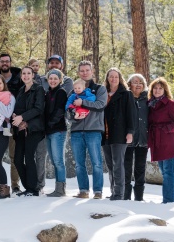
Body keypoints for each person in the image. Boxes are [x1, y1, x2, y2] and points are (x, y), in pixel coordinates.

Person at [68, 60, 107, 199]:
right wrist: (73, 115)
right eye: (82, 71)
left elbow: (101, 105)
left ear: (92, 71)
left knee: (96, 162)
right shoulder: (74, 90)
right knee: (79, 164)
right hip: (77, 131)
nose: (84, 73)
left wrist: (83, 102)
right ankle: (83, 190)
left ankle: (98, 191)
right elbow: (68, 110)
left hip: (93, 130)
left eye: (87, 70)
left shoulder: (100, 89)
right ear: (79, 73)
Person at [147, 77, 174, 204]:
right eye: (155, 88)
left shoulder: (170, 104)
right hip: (157, 142)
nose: (157, 90)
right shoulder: (150, 104)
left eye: (160, 88)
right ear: (152, 90)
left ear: (164, 90)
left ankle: (168, 201)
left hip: (168, 141)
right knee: (165, 172)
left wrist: (165, 128)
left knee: (168, 172)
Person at [11, 67, 45, 197]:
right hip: (20, 129)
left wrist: (23, 118)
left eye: (28, 73)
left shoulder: (38, 89)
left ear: (33, 75)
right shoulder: (20, 90)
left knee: (29, 157)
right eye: (23, 74)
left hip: (33, 129)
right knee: (18, 159)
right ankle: (28, 187)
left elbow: (38, 108)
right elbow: (18, 108)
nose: (26, 76)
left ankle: (33, 189)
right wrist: (15, 116)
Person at [102, 68, 134, 201]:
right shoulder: (103, 94)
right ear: (107, 78)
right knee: (110, 165)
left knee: (118, 164)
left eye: (116, 77)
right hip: (105, 134)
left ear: (120, 78)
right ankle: (113, 191)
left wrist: (130, 132)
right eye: (111, 77)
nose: (113, 79)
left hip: (119, 134)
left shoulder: (126, 94)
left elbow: (131, 114)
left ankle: (119, 194)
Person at [0, 53, 23, 194]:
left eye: (7, 61)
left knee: (14, 156)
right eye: (2, 61)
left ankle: (15, 184)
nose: (5, 63)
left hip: (14, 123)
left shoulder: (19, 79)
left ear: (10, 63)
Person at [43, 69, 68, 197]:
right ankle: (58, 188)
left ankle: (61, 189)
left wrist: (49, 123)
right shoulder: (47, 93)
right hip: (48, 132)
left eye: (55, 78)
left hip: (58, 130)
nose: (53, 81)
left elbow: (59, 111)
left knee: (58, 161)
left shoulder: (61, 92)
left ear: (60, 80)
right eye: (51, 78)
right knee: (54, 160)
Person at [125, 73, 149, 201]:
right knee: (126, 168)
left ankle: (139, 197)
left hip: (143, 140)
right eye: (135, 82)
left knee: (140, 168)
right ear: (129, 84)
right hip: (128, 139)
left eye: (140, 82)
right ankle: (126, 196)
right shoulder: (126, 98)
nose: (138, 84)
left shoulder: (147, 99)